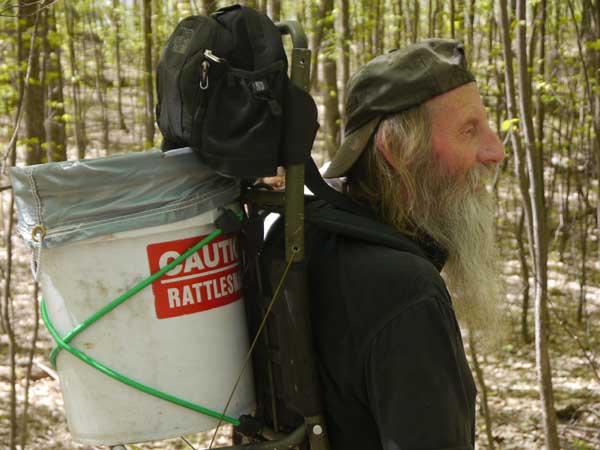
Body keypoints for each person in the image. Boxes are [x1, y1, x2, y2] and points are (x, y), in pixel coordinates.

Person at [304, 39, 505, 449]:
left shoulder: (306, 235)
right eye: (470, 130)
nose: (496, 151)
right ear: (396, 150)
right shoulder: (405, 290)